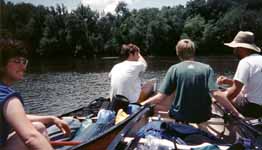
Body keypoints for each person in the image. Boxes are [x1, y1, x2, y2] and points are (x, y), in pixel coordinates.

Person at [142, 39, 243, 123]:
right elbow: (216, 94)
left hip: (180, 116)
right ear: (193, 52)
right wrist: (236, 113)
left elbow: (160, 97)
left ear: (177, 53)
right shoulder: (207, 68)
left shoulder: (174, 69)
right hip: (203, 116)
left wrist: (141, 104)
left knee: (159, 103)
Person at [0, 39, 71, 150]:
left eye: (24, 62)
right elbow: (31, 137)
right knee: (37, 131)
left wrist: (51, 118)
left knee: (38, 127)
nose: (23, 67)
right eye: (17, 61)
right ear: (1, 65)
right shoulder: (7, 96)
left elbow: (17, 117)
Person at [217, 31, 262, 118]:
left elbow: (234, 92)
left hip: (253, 109)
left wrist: (220, 99)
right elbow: (254, 83)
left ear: (242, 48)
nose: (234, 50)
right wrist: (228, 81)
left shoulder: (245, 62)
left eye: (236, 47)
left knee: (223, 95)